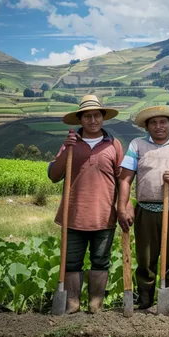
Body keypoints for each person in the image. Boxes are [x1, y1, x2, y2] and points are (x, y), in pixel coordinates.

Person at [48, 95, 124, 314]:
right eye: (87, 116)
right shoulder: (70, 143)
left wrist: (122, 206)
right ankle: (72, 303)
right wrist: (66, 148)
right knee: (71, 262)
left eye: (97, 115)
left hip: (104, 214)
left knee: (100, 260)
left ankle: (95, 303)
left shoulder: (114, 145)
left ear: (103, 118)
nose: (93, 120)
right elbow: (54, 175)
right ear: (80, 119)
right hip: (74, 214)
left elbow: (122, 179)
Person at [117, 105, 169, 310]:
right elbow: (125, 179)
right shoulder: (137, 145)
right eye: (153, 123)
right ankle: (144, 300)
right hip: (145, 209)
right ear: (147, 126)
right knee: (145, 257)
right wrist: (122, 206)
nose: (158, 126)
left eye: (163, 122)